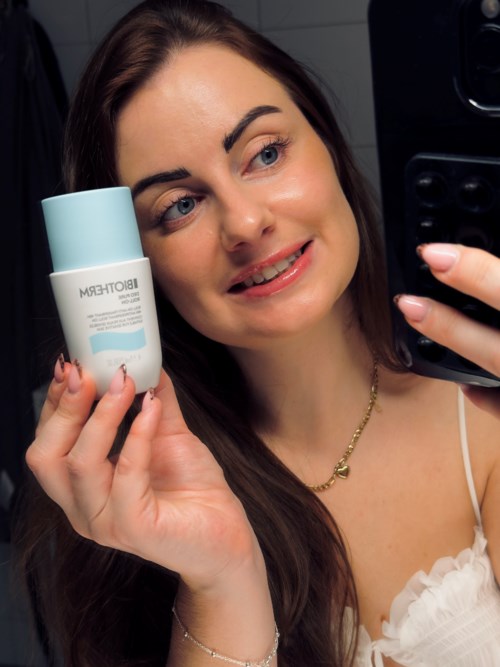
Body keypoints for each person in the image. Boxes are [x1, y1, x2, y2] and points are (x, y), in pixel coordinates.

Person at [15, 1, 500, 665]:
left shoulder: (486, 409)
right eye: (180, 206)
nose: (245, 223)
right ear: (137, 264)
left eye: (265, 153)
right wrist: (221, 578)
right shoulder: (138, 504)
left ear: (328, 145)